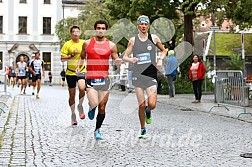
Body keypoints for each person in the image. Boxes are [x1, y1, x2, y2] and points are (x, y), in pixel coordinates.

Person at [123, 15, 167, 139]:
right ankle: (143, 129)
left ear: (148, 26)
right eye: (141, 24)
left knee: (152, 104)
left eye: (146, 24)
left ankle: (148, 111)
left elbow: (164, 51)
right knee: (141, 105)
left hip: (151, 74)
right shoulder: (133, 40)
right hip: (138, 75)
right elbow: (124, 56)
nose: (143, 26)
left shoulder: (154, 38)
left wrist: (160, 60)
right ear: (138, 26)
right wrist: (131, 59)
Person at [77, 20, 121, 140]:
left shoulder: (111, 45)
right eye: (98, 28)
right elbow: (82, 56)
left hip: (104, 79)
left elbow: (116, 58)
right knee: (94, 103)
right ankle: (91, 107)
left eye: (103, 28)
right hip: (91, 79)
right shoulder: (87, 43)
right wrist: (79, 66)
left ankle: (97, 130)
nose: (100, 30)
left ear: (105, 30)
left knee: (102, 107)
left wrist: (119, 62)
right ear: (95, 29)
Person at [61, 25, 86, 125]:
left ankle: (80, 105)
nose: (76, 33)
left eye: (78, 31)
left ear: (80, 33)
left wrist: (79, 67)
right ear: (71, 34)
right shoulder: (67, 44)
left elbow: (85, 56)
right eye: (74, 32)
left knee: (82, 87)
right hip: (70, 72)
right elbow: (62, 59)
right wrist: (71, 55)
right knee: (72, 95)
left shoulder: (84, 43)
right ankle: (73, 114)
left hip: (81, 70)